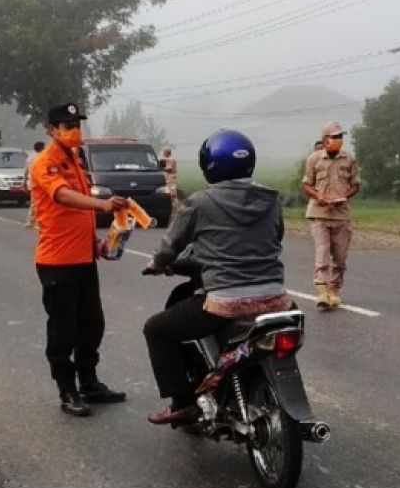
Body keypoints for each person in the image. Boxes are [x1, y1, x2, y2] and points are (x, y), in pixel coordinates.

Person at [142, 129, 291, 426]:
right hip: (277, 301)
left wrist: (158, 264)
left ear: (210, 165)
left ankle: (183, 403)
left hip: (227, 302)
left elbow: (169, 248)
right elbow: (276, 237)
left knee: (156, 329)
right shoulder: (272, 200)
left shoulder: (199, 203)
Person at [29, 103, 130, 417]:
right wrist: (102, 205)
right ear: (51, 129)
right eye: (67, 124)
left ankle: (89, 383)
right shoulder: (46, 163)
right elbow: (63, 197)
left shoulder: (75, 160)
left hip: (84, 259)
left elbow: (78, 214)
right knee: (63, 330)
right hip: (58, 262)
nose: (74, 129)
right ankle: (67, 390)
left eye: (77, 123)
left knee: (92, 325)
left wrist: (99, 243)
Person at [302, 122, 361, 309]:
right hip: (319, 213)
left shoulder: (349, 160)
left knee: (340, 255)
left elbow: (356, 185)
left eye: (340, 137)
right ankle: (322, 290)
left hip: (341, 213)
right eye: (334, 137)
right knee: (322, 251)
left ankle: (335, 288)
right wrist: (318, 196)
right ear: (325, 140)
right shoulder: (314, 159)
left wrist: (344, 197)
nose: (338, 140)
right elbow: (306, 184)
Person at [24, 140, 45, 229]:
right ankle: (33, 221)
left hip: (31, 182)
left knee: (34, 202)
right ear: (42, 148)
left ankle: (30, 221)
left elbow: (25, 171)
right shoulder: (42, 157)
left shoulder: (29, 158)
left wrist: (24, 182)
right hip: (39, 182)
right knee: (38, 202)